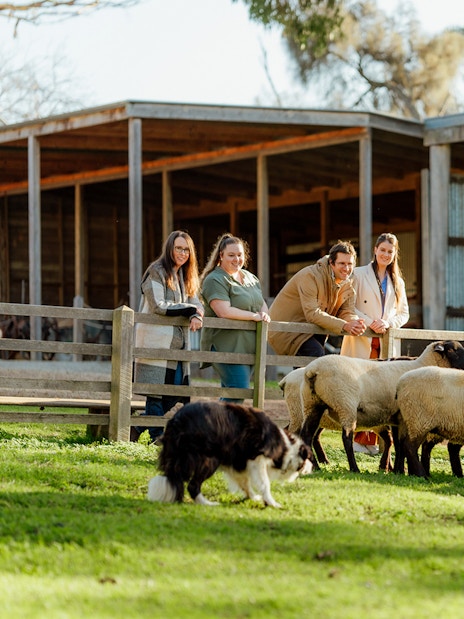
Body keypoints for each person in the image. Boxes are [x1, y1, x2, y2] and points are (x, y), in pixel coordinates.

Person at [132, 230, 204, 444]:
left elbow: (197, 303)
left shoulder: (185, 275)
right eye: (178, 248)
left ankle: (136, 427)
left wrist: (196, 312)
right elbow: (158, 305)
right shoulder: (156, 271)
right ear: (170, 249)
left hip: (178, 346)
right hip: (156, 342)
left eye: (186, 249)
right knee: (156, 392)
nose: (182, 253)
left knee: (176, 392)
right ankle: (157, 438)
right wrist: (191, 310)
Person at [340, 232, 409, 454]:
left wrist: (388, 323)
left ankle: (374, 441)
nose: (386, 254)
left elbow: (403, 313)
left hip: (385, 341)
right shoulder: (358, 274)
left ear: (394, 253)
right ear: (375, 250)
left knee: (383, 392)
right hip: (362, 337)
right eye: (383, 250)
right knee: (360, 388)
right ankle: (358, 439)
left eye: (390, 251)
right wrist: (371, 323)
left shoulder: (397, 281)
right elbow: (348, 305)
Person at [200, 233, 270, 402]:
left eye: (239, 255)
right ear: (221, 256)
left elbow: (261, 304)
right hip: (226, 345)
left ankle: (218, 427)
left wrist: (264, 315)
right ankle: (215, 426)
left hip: (250, 345)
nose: (236, 259)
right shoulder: (215, 279)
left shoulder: (251, 278)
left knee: (232, 393)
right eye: (231, 255)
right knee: (238, 391)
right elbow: (224, 311)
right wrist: (254, 317)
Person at [268, 240, 366, 358]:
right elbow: (312, 313)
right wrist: (344, 325)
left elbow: (346, 311)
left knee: (312, 368)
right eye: (342, 263)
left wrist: (354, 322)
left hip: (314, 331)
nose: (346, 268)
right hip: (287, 330)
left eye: (350, 264)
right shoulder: (310, 276)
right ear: (331, 263)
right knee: (316, 356)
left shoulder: (349, 282)